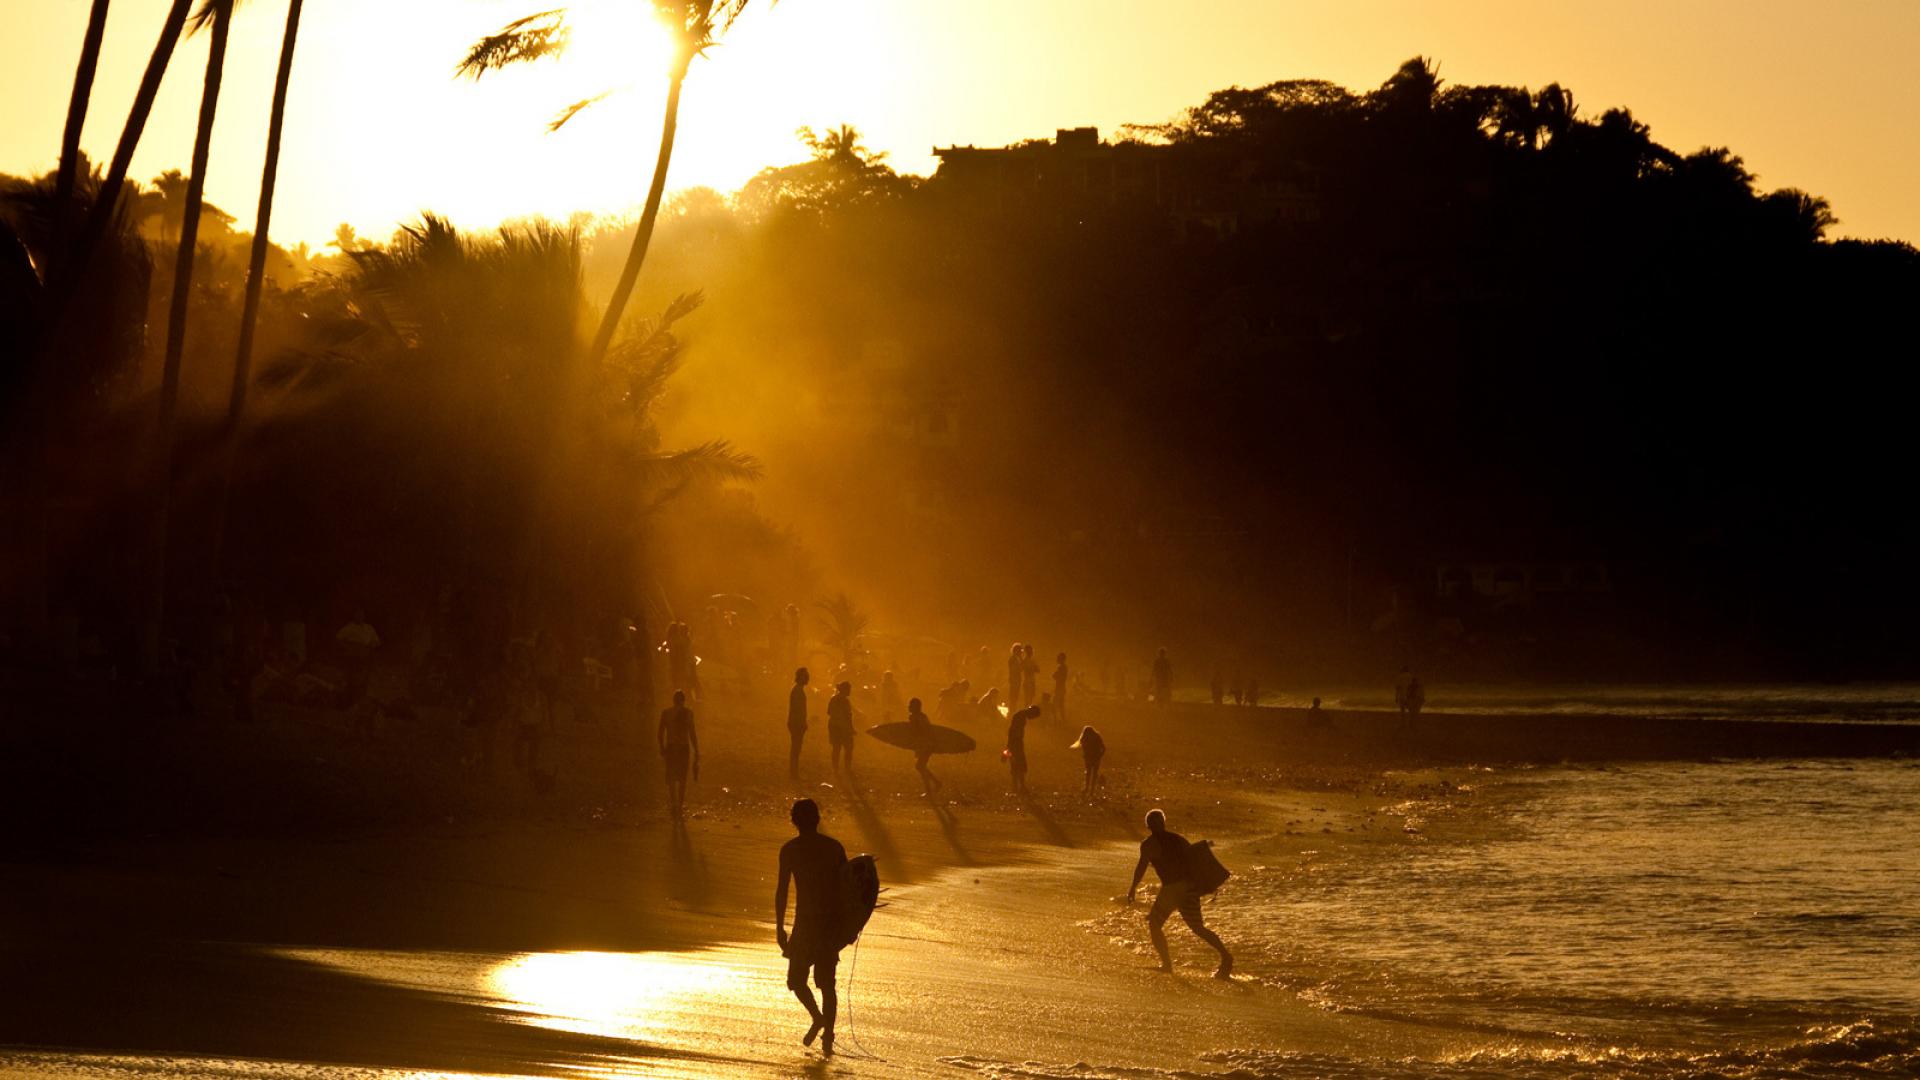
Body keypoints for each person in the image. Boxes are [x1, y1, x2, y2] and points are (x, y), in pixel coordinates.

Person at [775, 798, 848, 1056]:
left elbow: (782, 891)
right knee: (826, 985)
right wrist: (849, 927)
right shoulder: (833, 848)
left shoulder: (790, 850)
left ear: (794, 820)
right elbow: (848, 889)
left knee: (797, 981)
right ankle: (826, 1033)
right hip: (829, 926)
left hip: (806, 925)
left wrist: (779, 926)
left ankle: (820, 1022)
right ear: (817, 819)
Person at [1125, 809, 1233, 978]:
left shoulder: (1148, 844)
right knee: (1198, 927)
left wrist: (1133, 888)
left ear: (1148, 826)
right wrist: (1205, 884)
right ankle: (1226, 956)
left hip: (1172, 889)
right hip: (1189, 887)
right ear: (1162, 822)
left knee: (1154, 924)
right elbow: (1195, 861)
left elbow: (1141, 867)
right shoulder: (1178, 839)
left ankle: (1166, 965)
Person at [658, 689, 700, 818]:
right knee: (682, 779)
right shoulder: (688, 713)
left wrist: (662, 748)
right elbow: (692, 734)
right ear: (684, 700)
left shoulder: (666, 713)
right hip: (683, 748)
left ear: (673, 700)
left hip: (671, 748)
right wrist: (696, 750)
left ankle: (673, 804)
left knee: (671, 778)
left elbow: (660, 733)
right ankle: (680, 806)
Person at [335, 609, 380, 707]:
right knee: (352, 677)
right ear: (354, 616)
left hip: (365, 654)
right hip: (352, 655)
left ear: (364, 616)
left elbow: (376, 641)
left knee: (364, 677)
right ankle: (349, 700)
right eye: (357, 615)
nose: (359, 617)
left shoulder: (369, 628)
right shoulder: (349, 627)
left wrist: (372, 645)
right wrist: (348, 647)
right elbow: (338, 638)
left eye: (361, 615)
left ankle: (361, 699)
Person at [907, 697, 942, 796]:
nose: (909, 707)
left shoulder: (917, 717)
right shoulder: (920, 716)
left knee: (920, 766)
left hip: (926, 744)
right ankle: (934, 785)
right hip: (924, 744)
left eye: (911, 705)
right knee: (921, 766)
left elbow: (923, 730)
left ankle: (932, 787)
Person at [1005, 704, 1039, 794]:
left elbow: (1011, 731)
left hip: (1015, 742)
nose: (1032, 718)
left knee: (1015, 765)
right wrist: (1012, 745)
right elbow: (1014, 732)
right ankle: (1020, 787)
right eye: (1034, 716)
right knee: (1019, 765)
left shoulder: (1020, 715)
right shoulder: (1020, 717)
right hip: (1016, 743)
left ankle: (1016, 787)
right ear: (1032, 712)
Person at [827, 680, 855, 773]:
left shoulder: (835, 699)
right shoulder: (843, 701)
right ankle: (846, 768)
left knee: (837, 748)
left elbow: (829, 712)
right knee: (846, 748)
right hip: (840, 727)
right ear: (844, 690)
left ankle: (837, 768)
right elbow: (847, 716)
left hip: (836, 726)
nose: (850, 691)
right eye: (848, 689)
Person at [788, 667, 810, 780]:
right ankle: (794, 773)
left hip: (796, 722)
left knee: (796, 748)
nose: (807, 678)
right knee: (796, 748)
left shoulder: (797, 689)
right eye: (805, 676)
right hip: (797, 723)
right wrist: (802, 723)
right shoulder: (798, 691)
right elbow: (798, 709)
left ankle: (794, 772)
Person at [1071, 724, 1106, 798]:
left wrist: (1086, 755)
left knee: (1088, 773)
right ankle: (1091, 791)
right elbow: (1103, 748)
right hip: (1096, 758)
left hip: (1089, 758)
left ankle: (1087, 789)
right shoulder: (1097, 736)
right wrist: (1100, 756)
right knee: (1094, 774)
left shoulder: (1085, 738)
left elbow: (1084, 748)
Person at [1052, 652, 1069, 723]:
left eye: (1058, 658)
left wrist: (1055, 675)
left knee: (1055, 704)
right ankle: (1063, 719)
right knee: (1061, 705)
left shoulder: (1061, 667)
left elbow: (1055, 676)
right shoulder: (1064, 667)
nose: (1057, 659)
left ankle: (1055, 720)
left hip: (1059, 688)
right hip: (1062, 687)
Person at [1021, 644, 1040, 709]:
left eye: (1031, 651)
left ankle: (1028, 711)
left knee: (1031, 697)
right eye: (1030, 651)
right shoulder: (1025, 660)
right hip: (1027, 681)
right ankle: (1026, 711)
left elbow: (1038, 670)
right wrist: (1031, 668)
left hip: (1032, 681)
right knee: (1027, 699)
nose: (1031, 652)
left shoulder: (1033, 660)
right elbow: (1022, 669)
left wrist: (1034, 668)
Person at [1006, 644, 1024, 709]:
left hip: (1017, 679)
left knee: (1016, 694)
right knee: (1013, 695)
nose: (1021, 653)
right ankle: (1012, 708)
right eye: (1020, 651)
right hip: (1014, 679)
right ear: (1016, 651)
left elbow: (1022, 667)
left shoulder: (1017, 658)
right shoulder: (1012, 659)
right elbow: (1014, 670)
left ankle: (1013, 707)